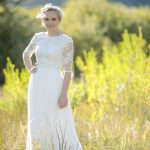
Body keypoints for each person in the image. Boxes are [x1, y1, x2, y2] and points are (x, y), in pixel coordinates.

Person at [22, 3, 82, 150]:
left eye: (53, 19)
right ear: (42, 20)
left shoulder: (66, 41)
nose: (50, 22)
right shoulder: (38, 37)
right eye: (46, 19)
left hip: (55, 82)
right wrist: (31, 68)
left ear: (59, 20)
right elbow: (26, 54)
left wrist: (64, 94)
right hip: (36, 82)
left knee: (55, 117)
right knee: (37, 116)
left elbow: (68, 71)